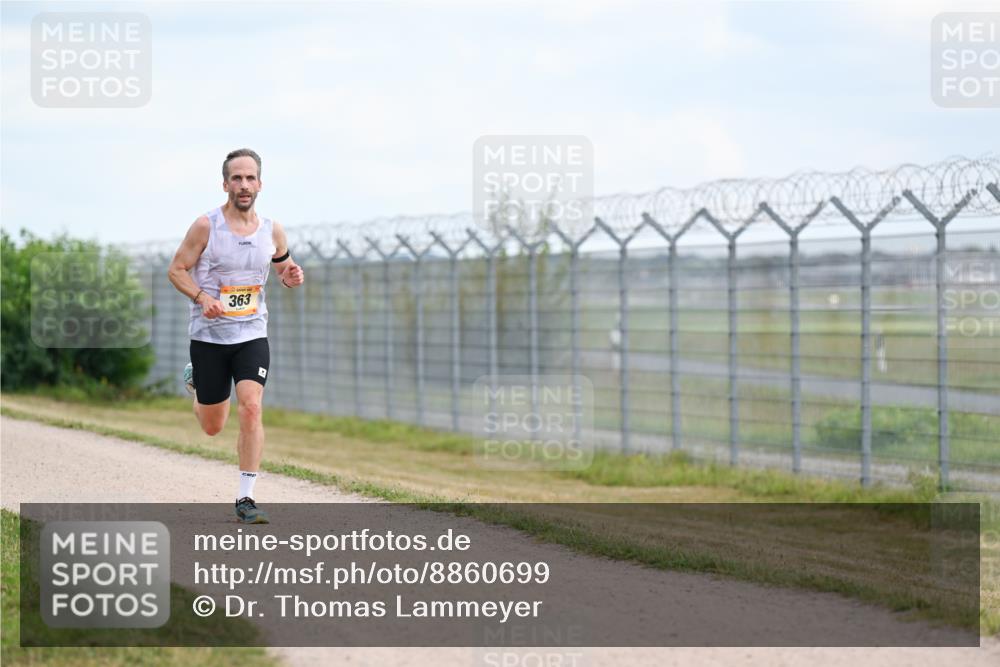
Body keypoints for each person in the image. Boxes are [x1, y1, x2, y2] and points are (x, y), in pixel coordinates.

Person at [167, 148, 304, 524]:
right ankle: (197, 383)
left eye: (250, 178)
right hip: (209, 336)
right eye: (237, 178)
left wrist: (291, 275)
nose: (244, 185)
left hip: (251, 332)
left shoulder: (271, 230)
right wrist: (201, 296)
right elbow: (177, 270)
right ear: (225, 183)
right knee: (213, 426)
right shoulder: (206, 226)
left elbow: (283, 265)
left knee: (252, 406)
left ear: (260, 183)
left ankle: (246, 497)